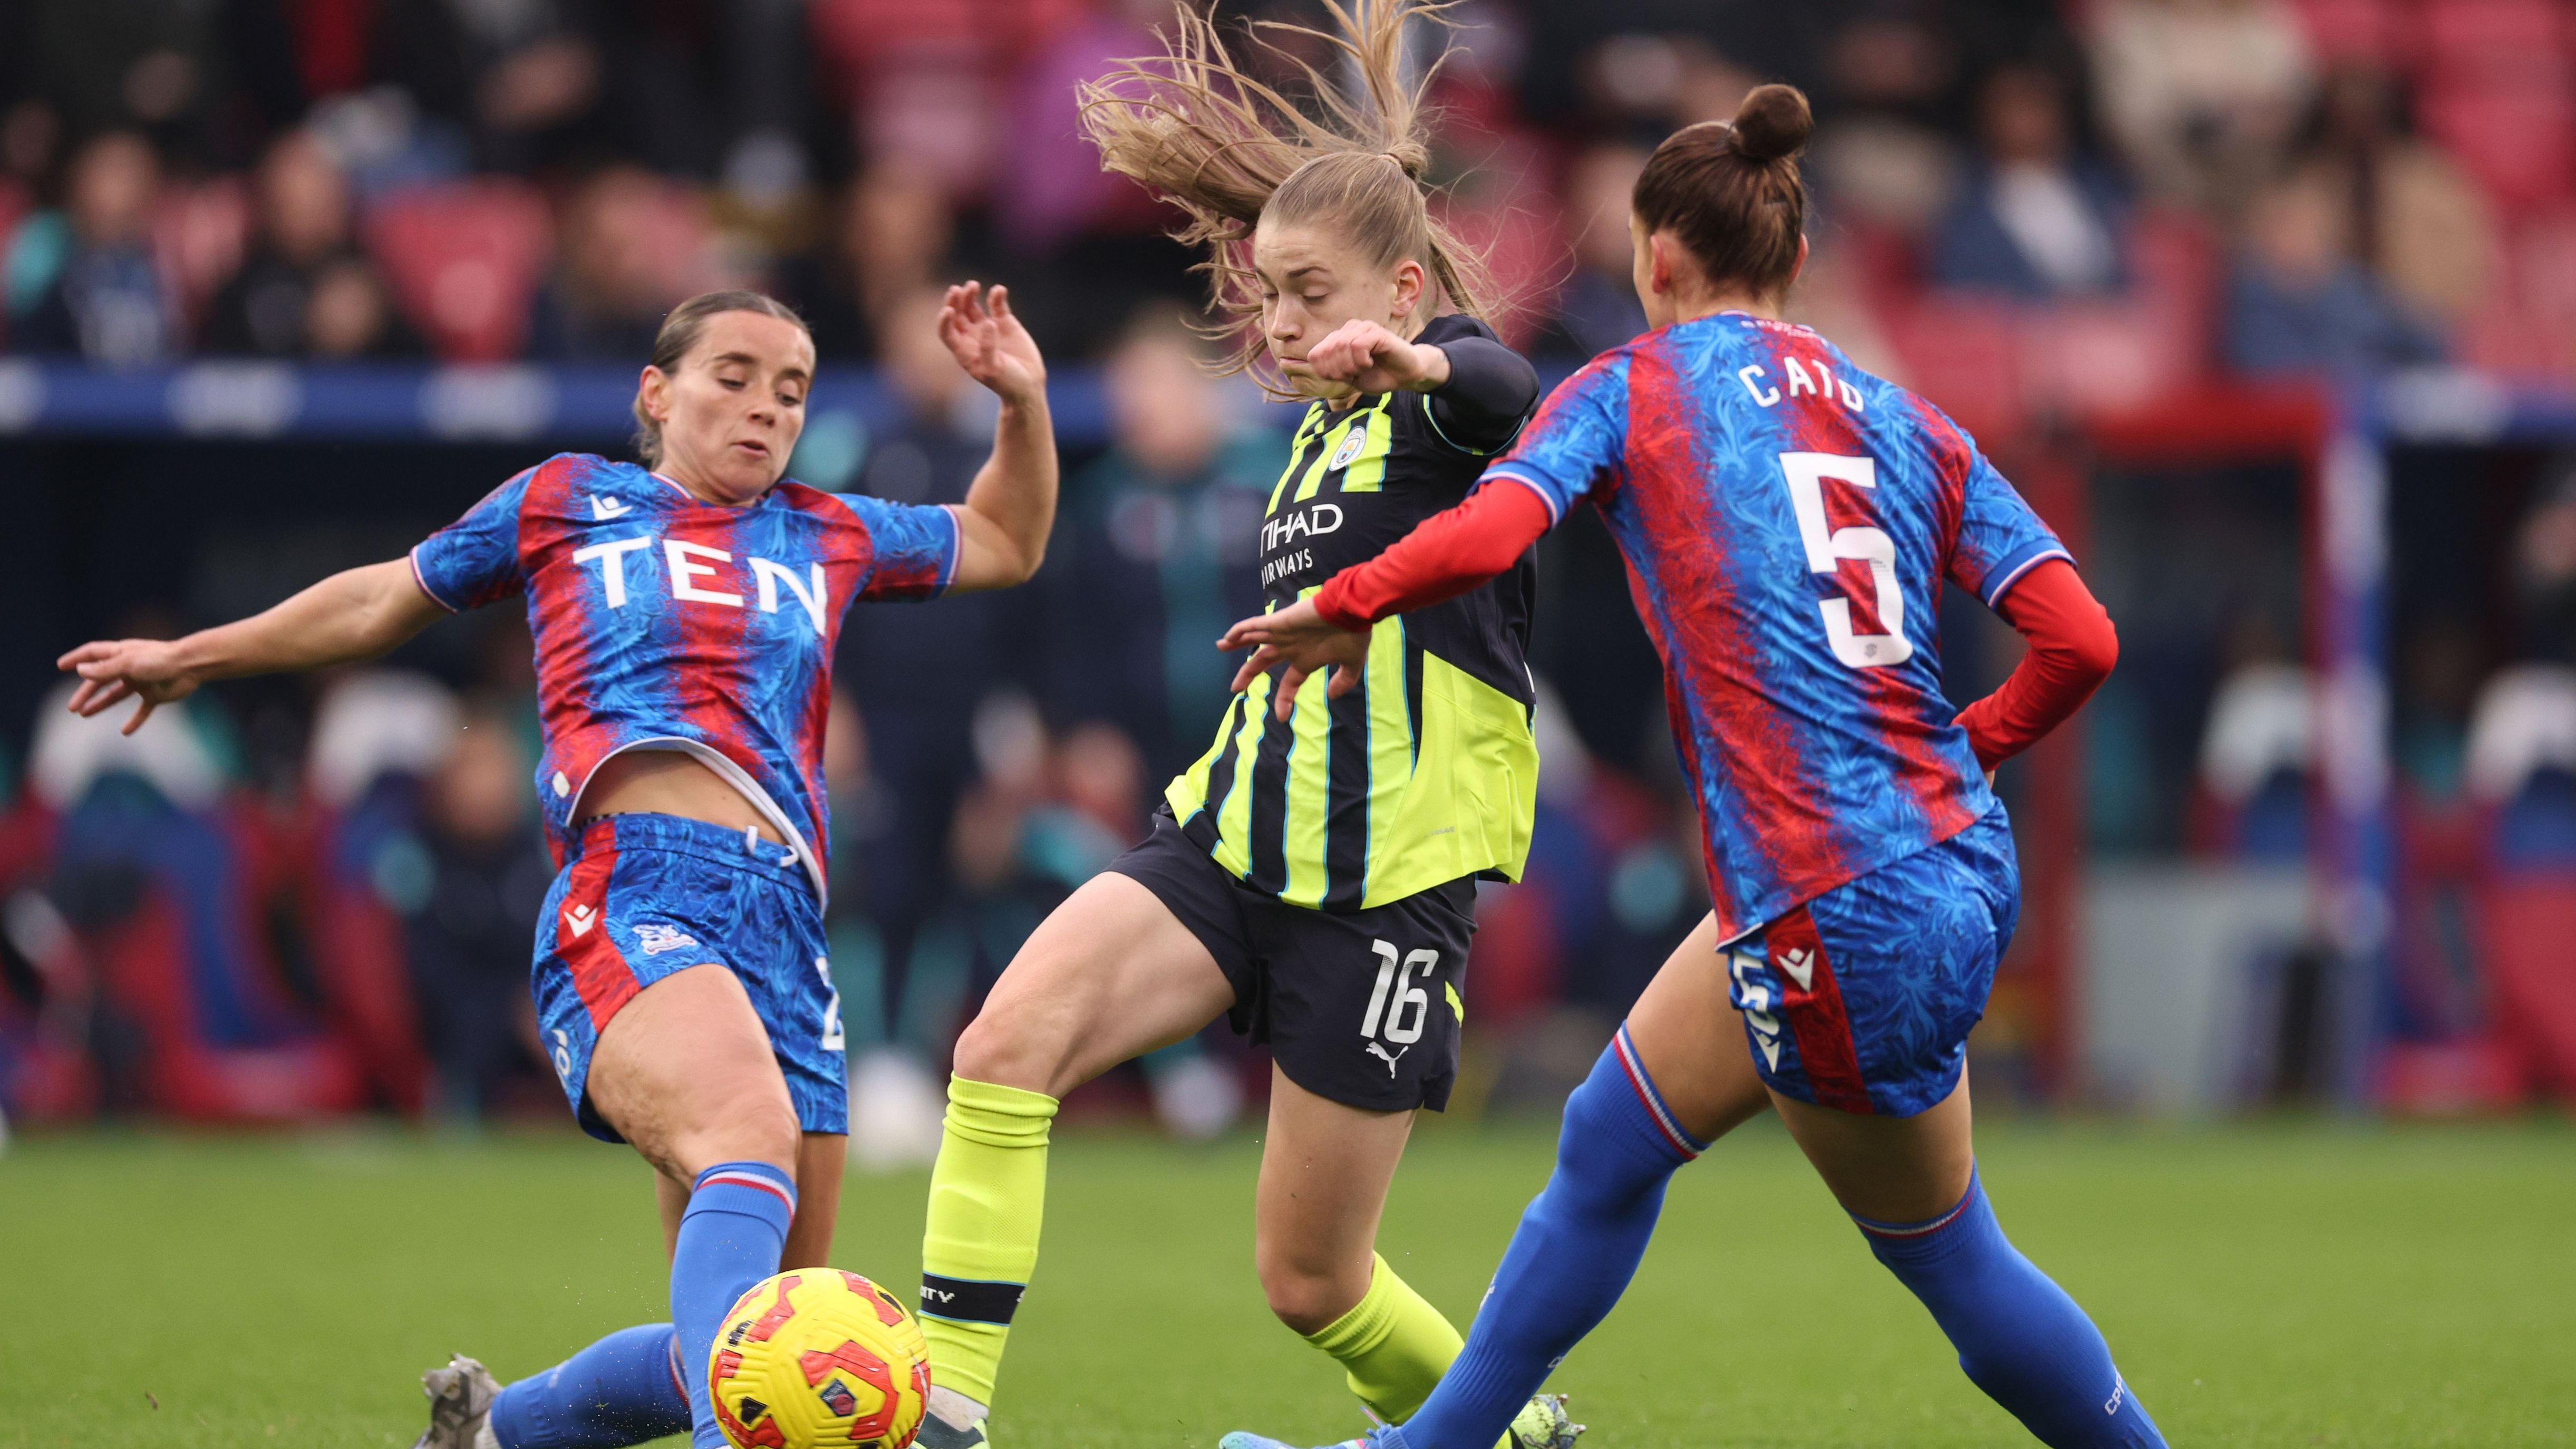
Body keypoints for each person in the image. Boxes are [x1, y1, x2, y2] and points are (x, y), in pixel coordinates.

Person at [1215, 85, 2163, 1449]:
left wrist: (1348, 596)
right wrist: (1965, 749)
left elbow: (1487, 536)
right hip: (1935, 860)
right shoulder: (1901, 416)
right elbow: (2078, 638)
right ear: (1787, 260)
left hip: (1825, 895)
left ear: (1652, 255)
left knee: (1949, 1257)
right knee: (1606, 1143)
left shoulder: (1635, 388)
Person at [56, 283, 1058, 1449]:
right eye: (732, 376)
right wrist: (197, 656)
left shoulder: (824, 531)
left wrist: (1021, 404)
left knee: (746, 1335)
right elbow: (386, 595)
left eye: (790, 391)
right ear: (656, 392)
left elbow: (1005, 539)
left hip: (787, 921)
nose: (764, 409)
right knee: (746, 1146)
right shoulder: (566, 500)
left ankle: (491, 1436)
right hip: (635, 890)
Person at [909, 6, 1567, 1449]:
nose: (1275, 323)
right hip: (1227, 844)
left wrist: (1436, 364)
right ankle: (943, 1416)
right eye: (1264, 293)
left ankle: (1515, 1438)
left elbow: (1520, 392)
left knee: (1311, 1280)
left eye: (1305, 291)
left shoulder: (1446, 405)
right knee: (1000, 1047)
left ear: (1399, 289)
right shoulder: (1315, 435)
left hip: (1381, 882)